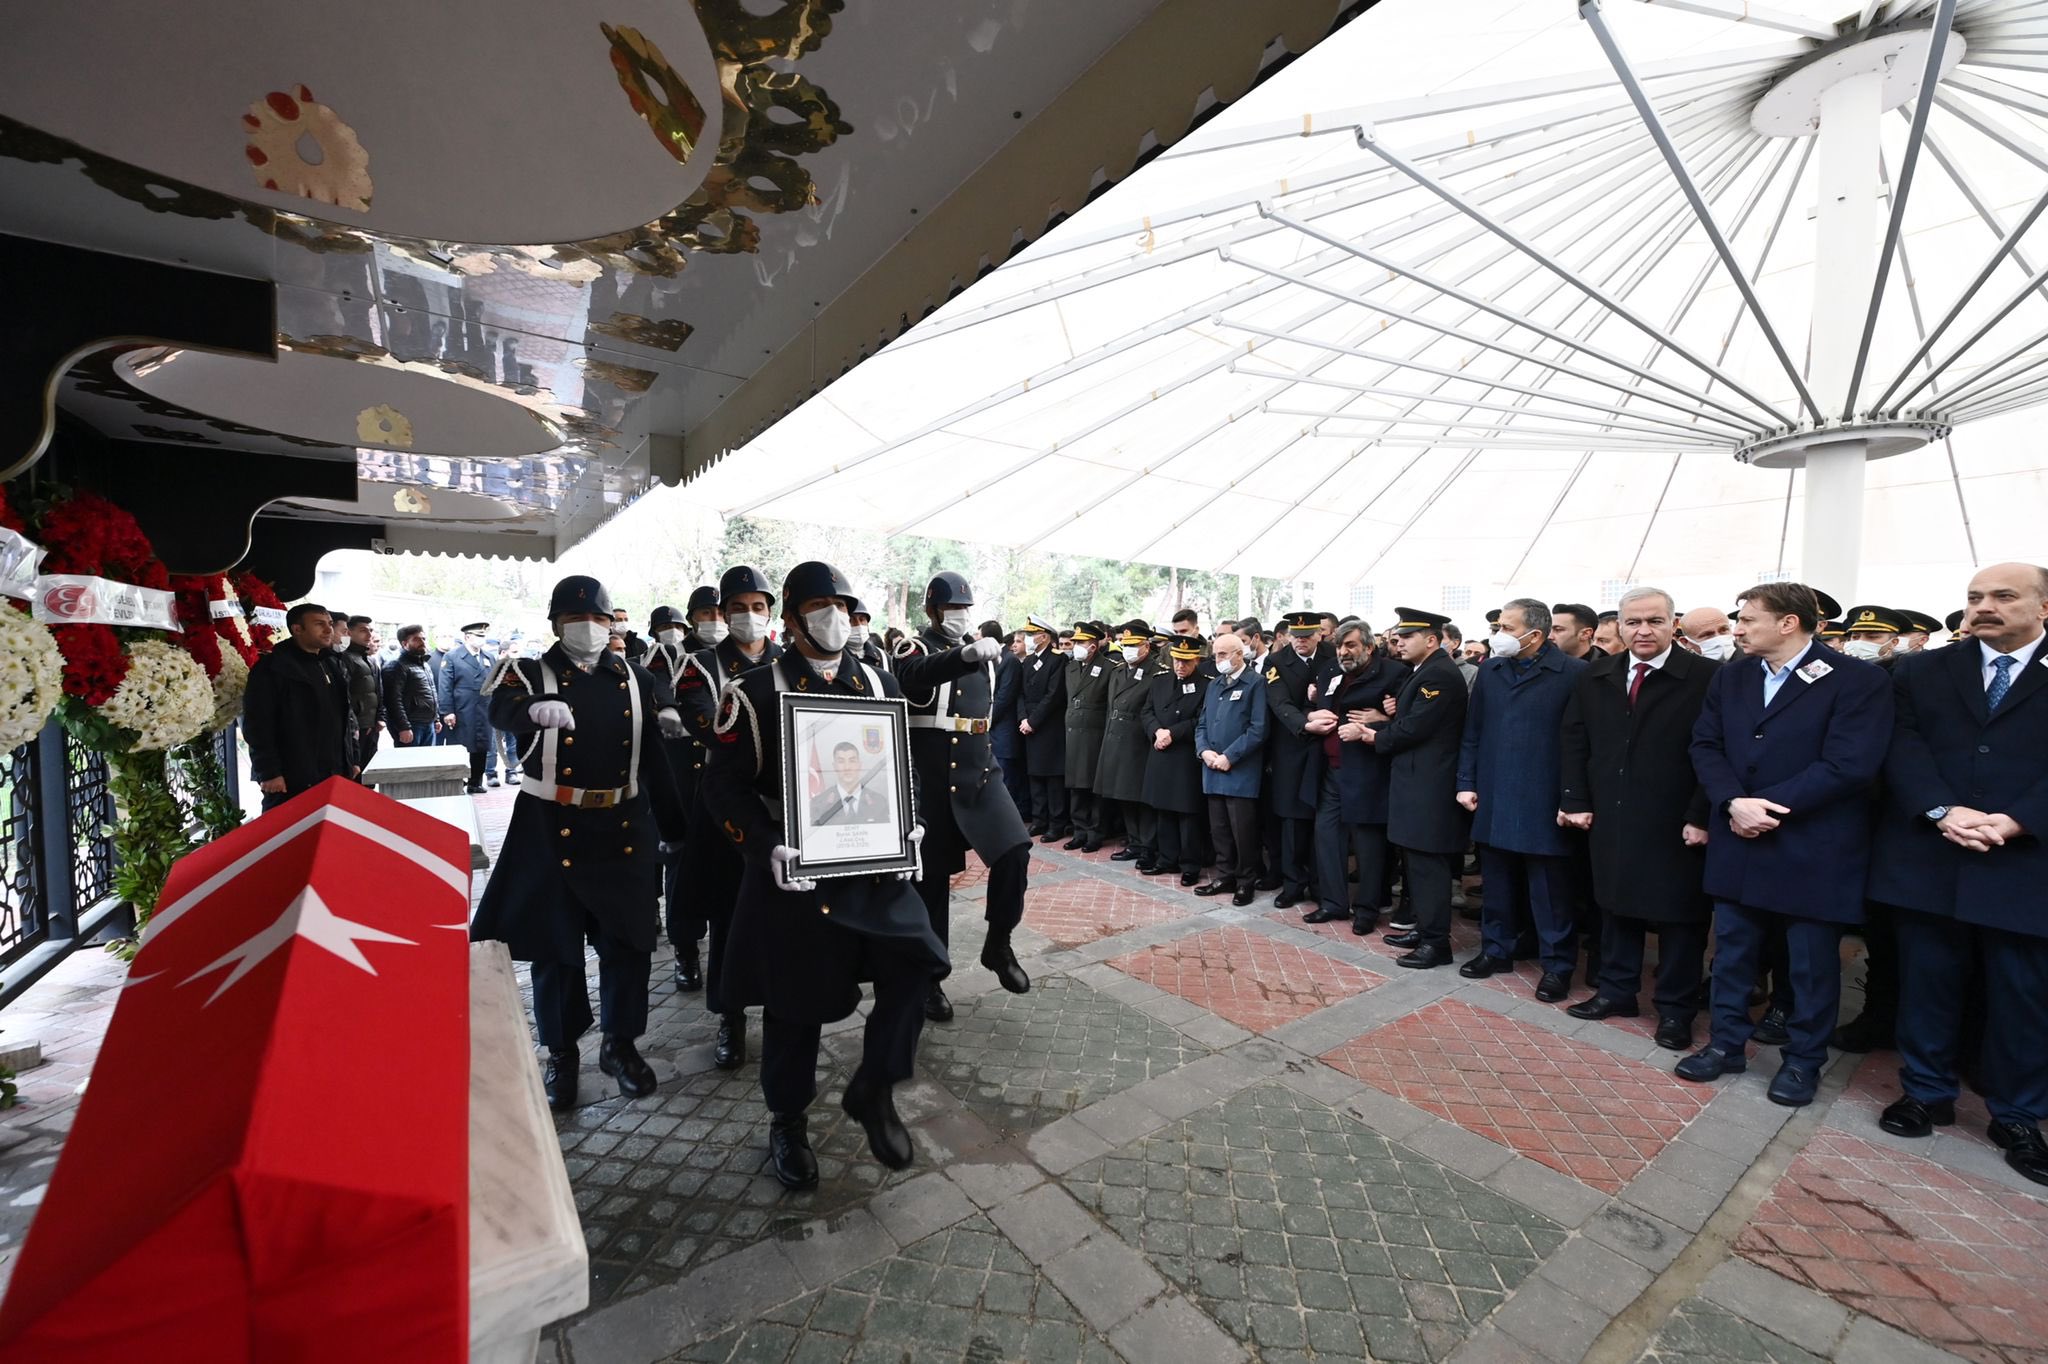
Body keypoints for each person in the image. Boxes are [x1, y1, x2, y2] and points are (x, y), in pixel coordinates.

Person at [700, 560, 944, 1189]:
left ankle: (875, 1085)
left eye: (839, 605)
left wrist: (907, 820)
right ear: (789, 621)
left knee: (918, 962)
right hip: (796, 877)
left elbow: (899, 768)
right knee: (794, 1007)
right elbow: (721, 788)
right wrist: (763, 845)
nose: (833, 619)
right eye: (817, 609)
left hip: (872, 868)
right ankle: (787, 1121)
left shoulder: (877, 680)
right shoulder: (754, 692)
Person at [469, 575, 688, 1112]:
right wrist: (530, 712)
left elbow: (653, 758)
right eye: (573, 619)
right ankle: (561, 1054)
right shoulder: (527, 672)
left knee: (630, 941)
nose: (587, 628)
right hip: (550, 823)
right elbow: (499, 706)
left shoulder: (633, 677)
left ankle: (620, 1044)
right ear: (554, 625)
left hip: (622, 822)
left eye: (597, 619)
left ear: (611, 624)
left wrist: (677, 827)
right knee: (554, 949)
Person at [1679, 582, 1893, 1107]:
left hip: (1813, 844)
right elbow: (1705, 744)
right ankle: (1726, 1044)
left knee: (1811, 963)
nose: (1739, 628)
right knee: (1731, 953)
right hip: (1738, 834)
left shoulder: (1856, 680)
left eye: (1749, 619)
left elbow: (1850, 764)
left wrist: (1765, 807)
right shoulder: (1734, 676)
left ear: (1789, 622)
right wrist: (1732, 801)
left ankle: (1803, 1061)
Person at [1868, 563, 2048, 1184]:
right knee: (1928, 979)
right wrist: (1943, 810)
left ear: (2044, 607)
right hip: (1934, 852)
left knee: (2022, 993)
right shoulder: (1922, 669)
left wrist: (2017, 821)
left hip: (2025, 859)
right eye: (1975, 597)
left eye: (2003, 596)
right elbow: (1901, 747)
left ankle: (2018, 1114)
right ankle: (1926, 1092)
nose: (1984, 606)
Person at [1559, 587, 1717, 1050]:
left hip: (1677, 817)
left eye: (1654, 621)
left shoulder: (1707, 676)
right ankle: (1616, 991)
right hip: (1610, 811)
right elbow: (1575, 739)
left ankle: (1675, 1010)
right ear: (1621, 626)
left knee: (1680, 919)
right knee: (1613, 905)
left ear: (1674, 625)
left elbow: (1715, 752)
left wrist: (1700, 813)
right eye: (1633, 622)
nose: (1643, 630)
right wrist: (1575, 799)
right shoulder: (1597, 674)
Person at [893, 572, 1033, 1022]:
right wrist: (963, 654)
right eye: (952, 609)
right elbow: (914, 675)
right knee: (931, 885)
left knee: (1015, 851)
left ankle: (999, 943)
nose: (960, 616)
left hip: (979, 772)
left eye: (965, 609)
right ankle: (930, 980)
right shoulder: (913, 648)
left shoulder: (989, 656)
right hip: (929, 779)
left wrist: (977, 652)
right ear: (933, 611)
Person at [677, 565, 783, 1072]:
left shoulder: (788, 662)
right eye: (737, 607)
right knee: (728, 916)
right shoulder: (700, 665)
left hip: (782, 809)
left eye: (757, 607)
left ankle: (786, 1006)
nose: (748, 616)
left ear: (770, 612)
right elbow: (713, 729)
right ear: (723, 612)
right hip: (726, 811)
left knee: (782, 915)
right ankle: (730, 1017)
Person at [1457, 599, 1588, 999]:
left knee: (1549, 890)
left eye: (1508, 628)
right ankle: (1495, 950)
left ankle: (1557, 965)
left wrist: (1573, 798)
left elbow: (1582, 743)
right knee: (1496, 883)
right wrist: (1466, 780)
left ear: (1537, 633)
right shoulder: (1492, 670)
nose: (1500, 635)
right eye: (1498, 626)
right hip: (1495, 791)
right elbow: (1473, 730)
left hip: (1543, 795)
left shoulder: (1573, 673)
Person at [1371, 609, 1471, 969]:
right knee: (1416, 862)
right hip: (1417, 782)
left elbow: (1415, 728)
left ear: (1431, 639)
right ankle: (1425, 928)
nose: (1398, 641)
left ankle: (1436, 943)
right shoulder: (1426, 670)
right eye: (1398, 636)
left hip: (1430, 786)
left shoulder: (1440, 674)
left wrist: (1375, 735)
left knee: (1429, 865)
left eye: (1407, 637)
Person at [1301, 618, 1408, 933]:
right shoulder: (1329, 672)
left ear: (1369, 647)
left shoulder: (1394, 674)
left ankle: (1367, 909)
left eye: (1350, 646)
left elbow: (1408, 723)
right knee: (1327, 837)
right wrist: (1310, 712)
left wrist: (1381, 720)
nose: (1343, 652)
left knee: (1368, 846)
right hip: (1329, 770)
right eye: (1339, 646)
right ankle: (1333, 903)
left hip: (1367, 773)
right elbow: (1319, 708)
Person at [643, 597, 716, 991]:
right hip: (683, 775)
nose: (716, 621)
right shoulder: (669, 654)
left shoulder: (735, 658)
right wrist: (670, 707)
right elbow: (654, 681)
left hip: (725, 778)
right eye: (707, 614)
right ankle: (685, 950)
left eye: (720, 613)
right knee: (681, 864)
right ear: (692, 621)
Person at [243, 603, 357, 810]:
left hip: (333, 770)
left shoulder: (331, 663)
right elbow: (258, 723)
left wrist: (351, 759)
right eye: (319, 624)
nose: (328, 630)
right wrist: (269, 771)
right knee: (287, 834)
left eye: (330, 624)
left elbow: (344, 715)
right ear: (297, 629)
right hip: (292, 773)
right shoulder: (273, 667)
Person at [1192, 631, 1267, 906]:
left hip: (1240, 771)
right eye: (1215, 655)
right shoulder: (1214, 685)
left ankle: (1246, 881)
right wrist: (1204, 750)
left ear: (1239, 654)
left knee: (1243, 831)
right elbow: (1202, 723)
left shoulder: (1255, 683)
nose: (1218, 660)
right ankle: (1225, 875)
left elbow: (1258, 729)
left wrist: (1230, 756)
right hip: (1212, 768)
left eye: (1223, 654)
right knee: (1219, 829)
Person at [1262, 612, 1325, 909]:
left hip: (1324, 750)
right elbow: (1279, 702)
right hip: (1291, 748)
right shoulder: (1275, 662)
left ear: (1319, 635)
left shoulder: (1331, 656)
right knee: (1291, 822)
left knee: (1321, 822)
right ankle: (1293, 882)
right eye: (1295, 636)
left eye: (1307, 636)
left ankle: (1321, 883)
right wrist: (1306, 721)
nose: (1301, 641)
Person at [1098, 623, 1160, 869]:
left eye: (1134, 645)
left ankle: (1148, 845)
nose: (1129, 650)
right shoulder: (1118, 670)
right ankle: (1134, 841)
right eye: (1126, 645)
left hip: (1139, 743)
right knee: (1123, 796)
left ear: (1147, 645)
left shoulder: (1157, 672)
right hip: (1115, 739)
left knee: (1140, 798)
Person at [1017, 614, 1070, 841]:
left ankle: (1056, 823)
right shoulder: (1028, 661)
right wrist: (1022, 718)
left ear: (1044, 636)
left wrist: (1033, 721)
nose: (1029, 638)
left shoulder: (1057, 660)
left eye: (1032, 634)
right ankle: (1039, 820)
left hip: (1049, 726)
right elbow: (1020, 694)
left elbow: (1054, 695)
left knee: (1053, 777)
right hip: (1029, 725)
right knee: (1035, 775)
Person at [1061, 622, 1112, 851]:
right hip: (1073, 733)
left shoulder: (1110, 668)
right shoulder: (1071, 667)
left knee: (1093, 786)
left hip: (1095, 734)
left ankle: (1095, 832)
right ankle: (1079, 829)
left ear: (1093, 646)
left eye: (1080, 642)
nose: (1076, 646)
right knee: (1076, 785)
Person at [439, 621, 496, 793]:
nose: (482, 639)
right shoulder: (453, 656)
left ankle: (475, 782)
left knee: (482, 746)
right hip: (463, 709)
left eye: (483, 636)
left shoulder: (489, 657)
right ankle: (458, 781)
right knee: (462, 746)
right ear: (467, 637)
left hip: (484, 709)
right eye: (479, 636)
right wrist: (447, 711)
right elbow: (445, 686)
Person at [989, 621, 1030, 813]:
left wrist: (988, 718)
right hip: (997, 729)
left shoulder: (1009, 660)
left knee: (1009, 775)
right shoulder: (996, 659)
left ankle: (1012, 814)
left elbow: (1005, 696)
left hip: (1005, 728)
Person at [381, 624, 440, 748]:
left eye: (423, 638)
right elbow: (392, 700)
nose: (422, 642)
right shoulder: (396, 665)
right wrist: (403, 727)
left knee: (428, 764)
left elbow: (431, 692)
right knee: (410, 765)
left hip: (428, 723)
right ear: (404, 644)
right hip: (411, 725)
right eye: (416, 639)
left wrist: (436, 718)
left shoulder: (424, 665)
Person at [340, 614, 382, 774]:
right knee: (357, 773)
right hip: (357, 726)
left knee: (370, 771)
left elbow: (378, 692)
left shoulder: (368, 659)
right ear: (349, 632)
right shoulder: (345, 658)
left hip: (371, 725)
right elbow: (346, 696)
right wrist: (355, 725)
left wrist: (380, 717)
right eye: (363, 630)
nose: (369, 635)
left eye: (370, 630)